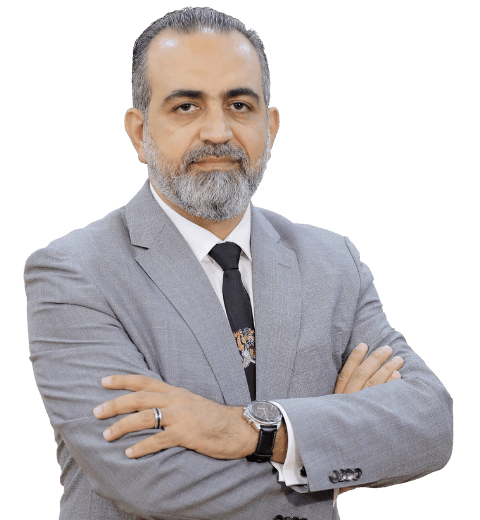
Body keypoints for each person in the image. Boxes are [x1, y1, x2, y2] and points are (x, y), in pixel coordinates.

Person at [23, 7, 453, 520]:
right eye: (186, 106)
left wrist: (250, 430)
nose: (217, 131)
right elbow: (153, 483)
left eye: (239, 105)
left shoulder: (331, 261)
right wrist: (329, 452)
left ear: (270, 126)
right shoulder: (74, 273)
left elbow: (430, 424)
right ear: (139, 133)